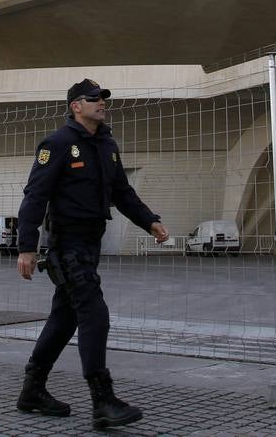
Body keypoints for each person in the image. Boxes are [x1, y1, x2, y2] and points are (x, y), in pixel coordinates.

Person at [14, 78, 170, 428]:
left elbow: (122, 192)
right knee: (94, 313)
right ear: (76, 106)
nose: (102, 103)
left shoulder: (107, 146)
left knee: (64, 318)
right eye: (94, 98)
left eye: (103, 98)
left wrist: (150, 221)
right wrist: (26, 247)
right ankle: (103, 400)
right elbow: (35, 197)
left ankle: (32, 390)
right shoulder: (57, 144)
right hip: (66, 244)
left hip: (90, 244)